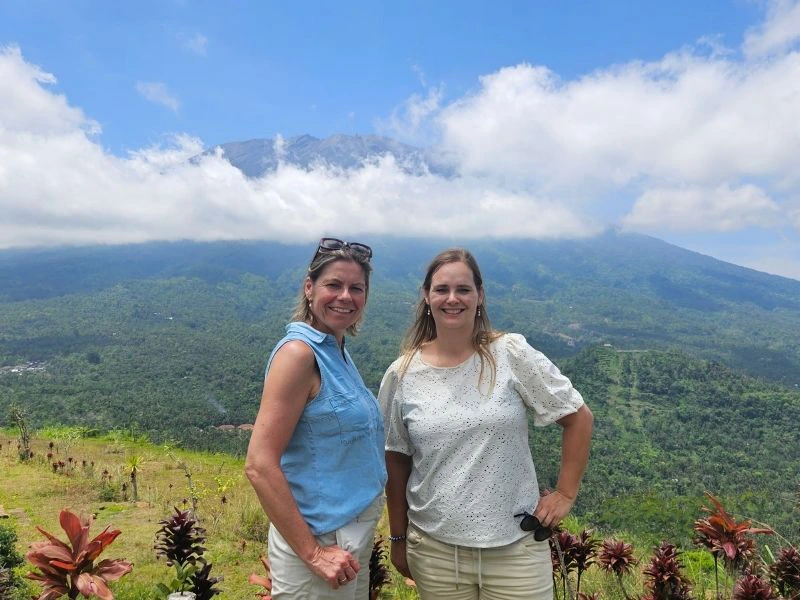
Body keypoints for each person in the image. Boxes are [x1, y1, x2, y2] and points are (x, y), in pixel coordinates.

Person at [379, 248, 593, 600]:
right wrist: (399, 537)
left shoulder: (510, 354)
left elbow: (578, 417)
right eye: (442, 289)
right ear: (426, 297)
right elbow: (396, 457)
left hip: (516, 550)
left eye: (463, 289)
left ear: (480, 296)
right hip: (435, 552)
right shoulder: (402, 373)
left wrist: (565, 493)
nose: (452, 298)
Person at [245, 238, 387, 599]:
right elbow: (259, 465)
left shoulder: (335, 349)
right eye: (333, 285)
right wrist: (314, 553)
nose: (345, 296)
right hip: (321, 540)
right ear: (309, 288)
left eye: (356, 288)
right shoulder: (298, 355)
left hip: (347, 539)